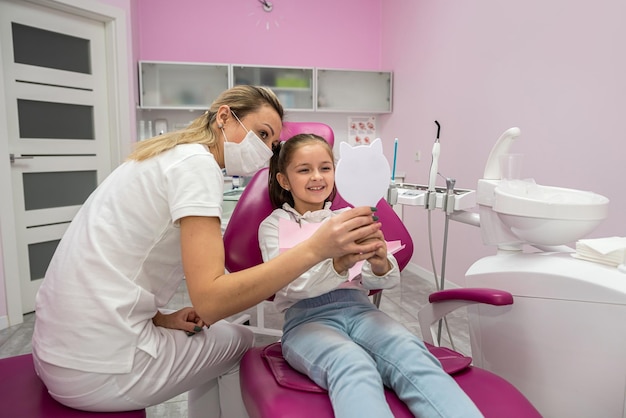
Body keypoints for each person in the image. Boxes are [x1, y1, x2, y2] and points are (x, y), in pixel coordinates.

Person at [31, 86, 383, 417]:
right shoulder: (196, 166)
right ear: (224, 117)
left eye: (272, 142)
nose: (265, 150)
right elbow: (211, 303)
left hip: (58, 349)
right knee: (241, 343)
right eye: (261, 134)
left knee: (219, 334)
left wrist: (159, 319)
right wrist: (315, 249)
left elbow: (112, 263)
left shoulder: (161, 156)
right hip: (97, 366)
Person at [259, 133, 484, 418]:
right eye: (304, 170)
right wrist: (338, 265)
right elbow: (286, 284)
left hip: (360, 310)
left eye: (325, 168)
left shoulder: (348, 218)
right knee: (352, 364)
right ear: (284, 180)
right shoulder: (274, 225)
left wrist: (378, 264)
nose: (317, 177)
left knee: (412, 354)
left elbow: (381, 281)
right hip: (306, 320)